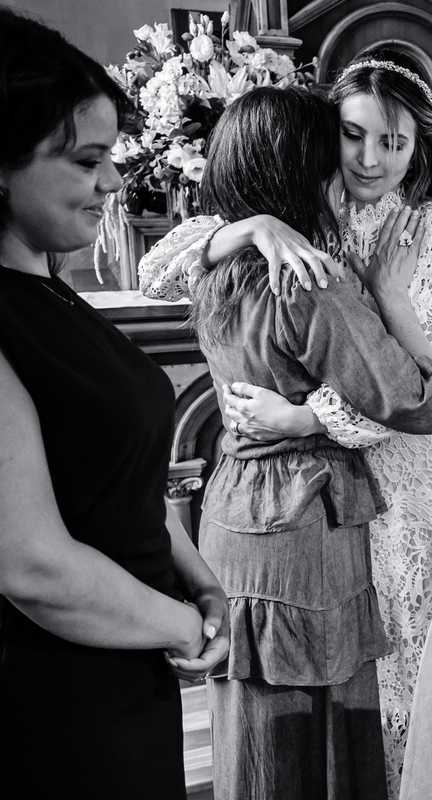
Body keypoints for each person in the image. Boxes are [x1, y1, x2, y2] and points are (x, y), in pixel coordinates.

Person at [140, 46, 432, 790]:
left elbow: (427, 369)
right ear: (328, 134)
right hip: (333, 487)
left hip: (428, 464)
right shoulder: (303, 200)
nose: (371, 159)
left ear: (420, 149)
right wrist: (253, 226)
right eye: (354, 135)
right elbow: (157, 273)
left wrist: (303, 419)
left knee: (430, 653)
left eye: (395, 142)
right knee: (365, 665)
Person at [188, 85, 432, 799]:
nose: (351, 166)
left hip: (232, 516)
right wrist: (388, 297)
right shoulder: (309, 280)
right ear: (303, 166)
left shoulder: (212, 268)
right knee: (314, 736)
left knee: (250, 733)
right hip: (302, 529)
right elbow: (423, 403)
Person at [0, 10, 229, 798]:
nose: (111, 184)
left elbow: (122, 478)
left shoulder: (53, 292)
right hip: (52, 695)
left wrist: (199, 580)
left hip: (130, 664)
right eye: (86, 161)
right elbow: (30, 566)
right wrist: (179, 623)